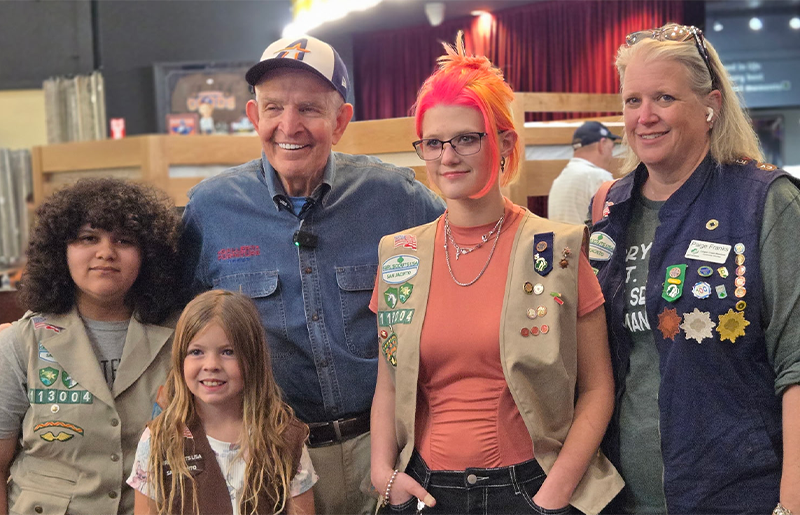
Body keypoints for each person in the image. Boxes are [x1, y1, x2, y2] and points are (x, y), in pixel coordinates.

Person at [180, 35, 445, 514]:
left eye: (309, 109)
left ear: (341, 121)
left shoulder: (397, 199)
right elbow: (170, 325)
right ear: (252, 115)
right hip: (271, 457)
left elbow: (465, 265)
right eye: (274, 107)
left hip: (389, 449)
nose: (289, 125)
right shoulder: (210, 210)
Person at [369, 33, 623, 515]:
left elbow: (597, 388)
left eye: (466, 138)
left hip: (532, 489)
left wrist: (554, 495)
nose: (447, 156)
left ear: (503, 142)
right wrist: (384, 473)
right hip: (425, 492)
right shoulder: (399, 255)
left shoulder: (557, 250)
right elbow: (388, 383)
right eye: (433, 142)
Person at [590, 23, 800, 514]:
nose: (644, 117)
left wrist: (791, 506)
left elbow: (797, 364)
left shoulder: (766, 203)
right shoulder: (610, 209)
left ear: (712, 105)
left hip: (739, 496)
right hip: (622, 495)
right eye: (632, 100)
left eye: (663, 97)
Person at [0, 178, 183, 514]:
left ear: (148, 255)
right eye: (88, 238)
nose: (105, 252)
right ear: (61, 250)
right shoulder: (20, 342)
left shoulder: (184, 337)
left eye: (124, 240)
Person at [128, 290, 316, 514]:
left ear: (252, 359)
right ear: (180, 360)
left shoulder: (283, 437)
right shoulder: (159, 440)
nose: (211, 365)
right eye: (196, 352)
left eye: (228, 352)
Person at [548, 121, 620, 225]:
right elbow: (613, 225)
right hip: (586, 241)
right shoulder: (599, 177)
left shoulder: (559, 180)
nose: (611, 156)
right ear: (602, 145)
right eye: (611, 148)